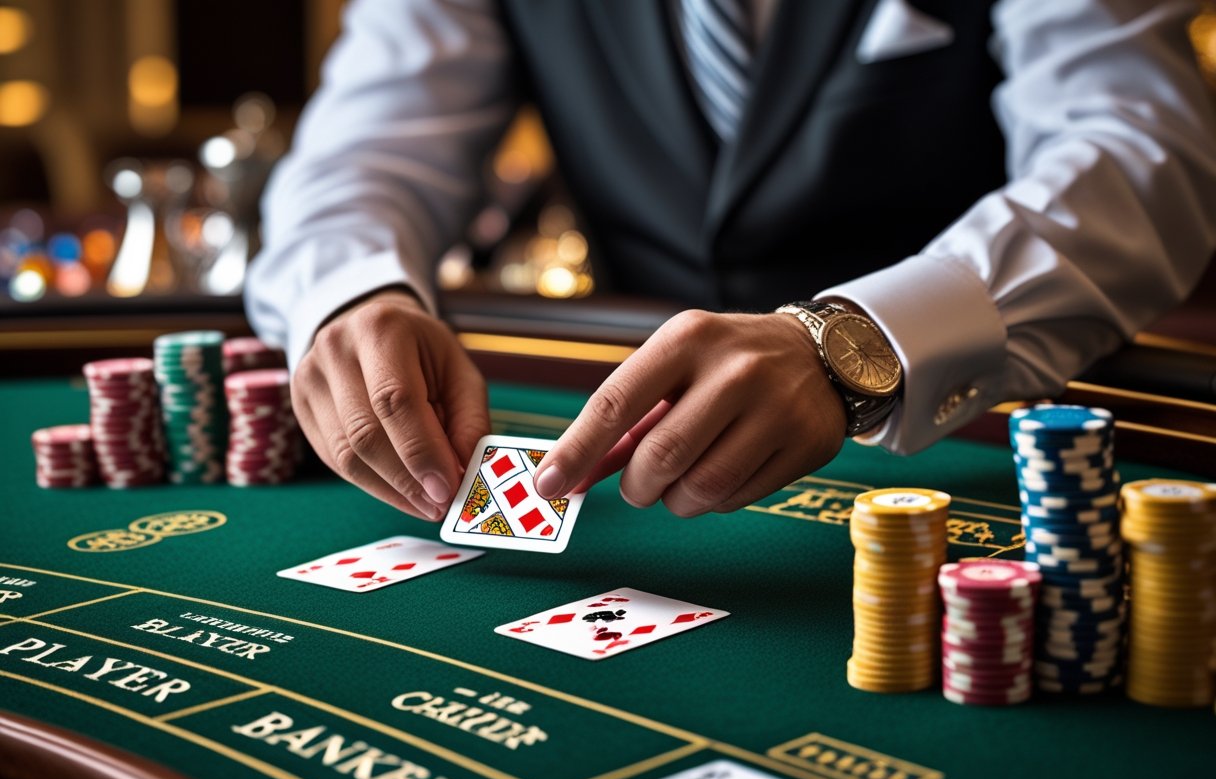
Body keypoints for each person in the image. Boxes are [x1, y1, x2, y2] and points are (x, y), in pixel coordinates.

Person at [245, 0, 1216, 523]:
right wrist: (350, 291)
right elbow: (365, 150)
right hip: (630, 447)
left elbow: (1142, 146)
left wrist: (855, 344)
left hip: (954, 445)